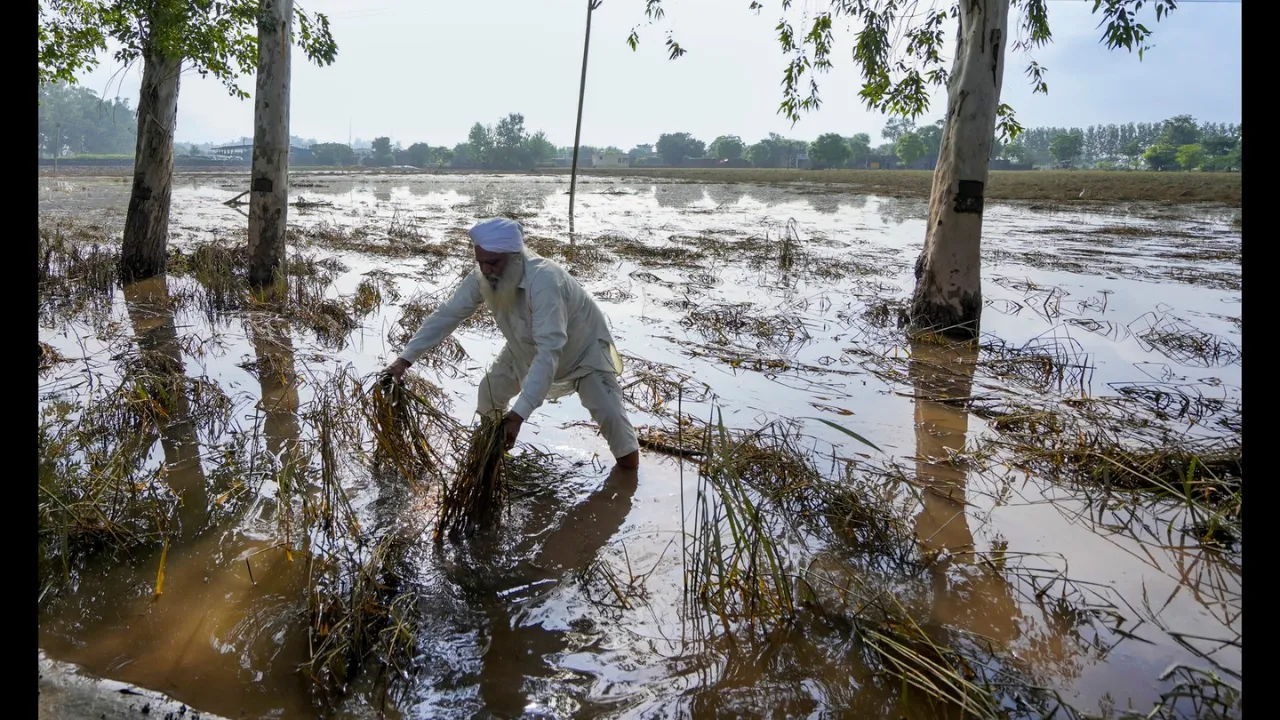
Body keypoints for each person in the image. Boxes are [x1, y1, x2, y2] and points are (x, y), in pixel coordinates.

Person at [384, 217, 640, 469]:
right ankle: (489, 457)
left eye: (493, 263)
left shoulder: (545, 282)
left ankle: (629, 481)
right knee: (489, 394)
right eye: (480, 262)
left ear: (516, 256)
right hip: (523, 349)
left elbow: (549, 352)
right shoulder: (484, 276)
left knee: (614, 424)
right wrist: (404, 360)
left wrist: (518, 416)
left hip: (583, 354)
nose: (485, 270)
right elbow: (448, 314)